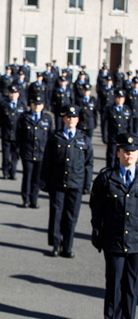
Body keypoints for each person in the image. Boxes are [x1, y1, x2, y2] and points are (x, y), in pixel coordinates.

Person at [90, 133, 138, 319]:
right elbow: (97, 209)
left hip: (135, 241)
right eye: (125, 152)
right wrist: (97, 233)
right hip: (114, 240)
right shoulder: (105, 179)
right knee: (114, 285)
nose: (129, 155)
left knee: (132, 286)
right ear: (118, 153)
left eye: (133, 152)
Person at [41, 105, 93, 258]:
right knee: (56, 215)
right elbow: (47, 162)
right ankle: (56, 245)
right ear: (63, 119)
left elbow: (88, 164)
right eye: (68, 117)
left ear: (78, 120)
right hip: (57, 183)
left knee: (71, 217)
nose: (71, 120)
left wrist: (87, 184)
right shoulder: (55, 137)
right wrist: (44, 181)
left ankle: (68, 246)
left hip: (75, 183)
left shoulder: (83, 139)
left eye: (74, 117)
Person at [17, 95, 53, 208]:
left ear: (43, 105)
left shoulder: (47, 119)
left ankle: (34, 199)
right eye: (35, 104)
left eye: (39, 104)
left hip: (41, 153)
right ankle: (26, 199)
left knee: (37, 178)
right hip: (27, 152)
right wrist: (19, 150)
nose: (37, 106)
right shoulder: (24, 117)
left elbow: (50, 136)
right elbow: (19, 135)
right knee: (27, 176)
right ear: (31, 105)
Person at [0, 85, 27, 180]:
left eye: (15, 93)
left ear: (18, 94)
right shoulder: (4, 104)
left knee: (15, 155)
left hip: (17, 135)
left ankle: (13, 172)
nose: (13, 95)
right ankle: (5, 172)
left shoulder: (22, 106)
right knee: (6, 155)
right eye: (11, 93)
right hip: (6, 133)